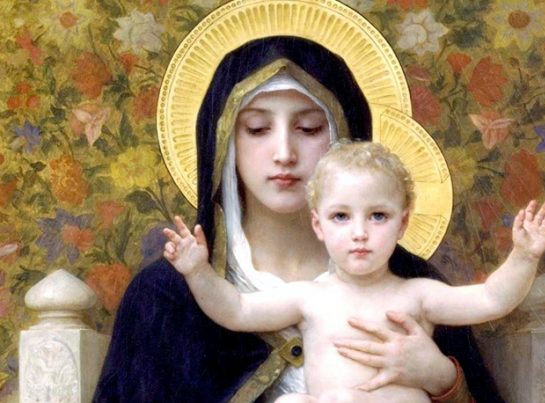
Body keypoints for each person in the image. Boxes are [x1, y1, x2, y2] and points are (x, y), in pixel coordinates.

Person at [94, 36, 505, 403]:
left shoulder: (411, 283)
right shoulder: (167, 297)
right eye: (258, 128)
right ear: (224, 142)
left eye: (308, 128)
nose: (284, 153)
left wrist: (440, 378)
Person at [163, 142, 545, 403]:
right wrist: (198, 271)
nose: (360, 233)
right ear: (318, 225)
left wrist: (524, 256)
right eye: (341, 216)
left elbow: (492, 298)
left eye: (377, 216)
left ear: (402, 223)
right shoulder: (308, 298)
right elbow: (236, 310)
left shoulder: (418, 294)